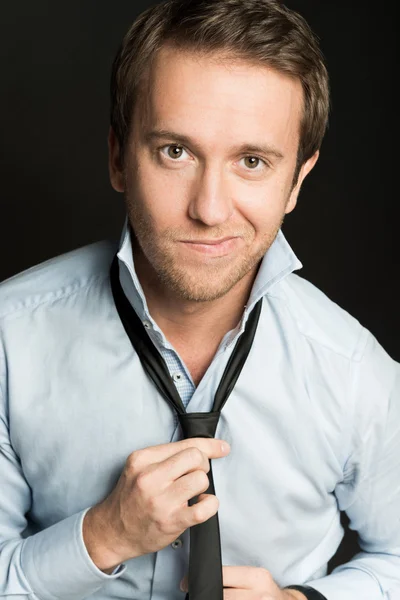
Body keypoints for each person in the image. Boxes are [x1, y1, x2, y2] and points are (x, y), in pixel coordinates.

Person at [0, 0, 399, 598]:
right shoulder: (10, 338)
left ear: (297, 181)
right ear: (117, 157)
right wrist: (102, 536)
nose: (209, 210)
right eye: (175, 152)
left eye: (252, 161)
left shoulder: (353, 370)